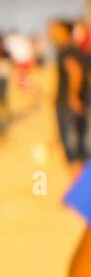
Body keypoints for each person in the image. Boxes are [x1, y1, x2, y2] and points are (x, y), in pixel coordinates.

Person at [50, 19, 88, 167]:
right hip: (78, 101)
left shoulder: (67, 51)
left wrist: (72, 96)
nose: (51, 34)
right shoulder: (79, 51)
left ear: (65, 32)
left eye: (55, 30)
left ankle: (79, 184)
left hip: (67, 104)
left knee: (73, 150)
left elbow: (75, 72)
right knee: (81, 145)